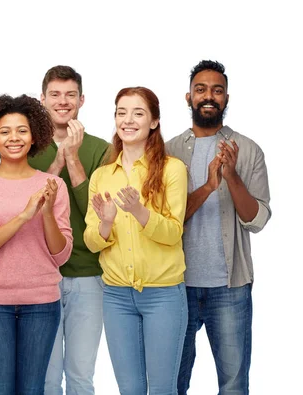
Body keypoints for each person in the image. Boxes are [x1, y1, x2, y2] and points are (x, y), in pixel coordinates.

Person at [166, 60, 271, 395]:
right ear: (188, 97)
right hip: (174, 285)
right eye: (201, 90)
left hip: (230, 288)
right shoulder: (168, 152)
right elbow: (164, 221)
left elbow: (257, 219)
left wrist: (231, 176)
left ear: (226, 98)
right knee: (172, 382)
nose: (208, 96)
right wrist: (209, 186)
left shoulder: (248, 150)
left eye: (216, 90)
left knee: (234, 384)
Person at [0, 94, 73, 394]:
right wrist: (24, 216)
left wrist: (46, 212)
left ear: (34, 135)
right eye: (5, 131)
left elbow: (60, 255)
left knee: (32, 388)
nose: (14, 138)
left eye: (22, 130)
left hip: (41, 303)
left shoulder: (54, 186)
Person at [84, 87, 188, 394]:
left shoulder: (172, 169)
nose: (128, 120)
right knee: (129, 389)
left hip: (163, 295)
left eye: (138, 113)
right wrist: (105, 223)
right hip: (116, 296)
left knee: (161, 389)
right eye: (121, 112)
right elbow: (92, 241)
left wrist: (138, 211)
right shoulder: (102, 176)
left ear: (154, 121)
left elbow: (172, 233)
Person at [28, 65, 109, 395]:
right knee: (46, 379)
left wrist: (72, 158)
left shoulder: (101, 149)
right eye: (55, 95)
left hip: (88, 276)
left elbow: (97, 213)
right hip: (39, 276)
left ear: (82, 100)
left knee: (80, 377)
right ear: (42, 99)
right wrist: (57, 164)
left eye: (70, 95)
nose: (63, 102)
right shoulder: (27, 146)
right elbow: (28, 212)